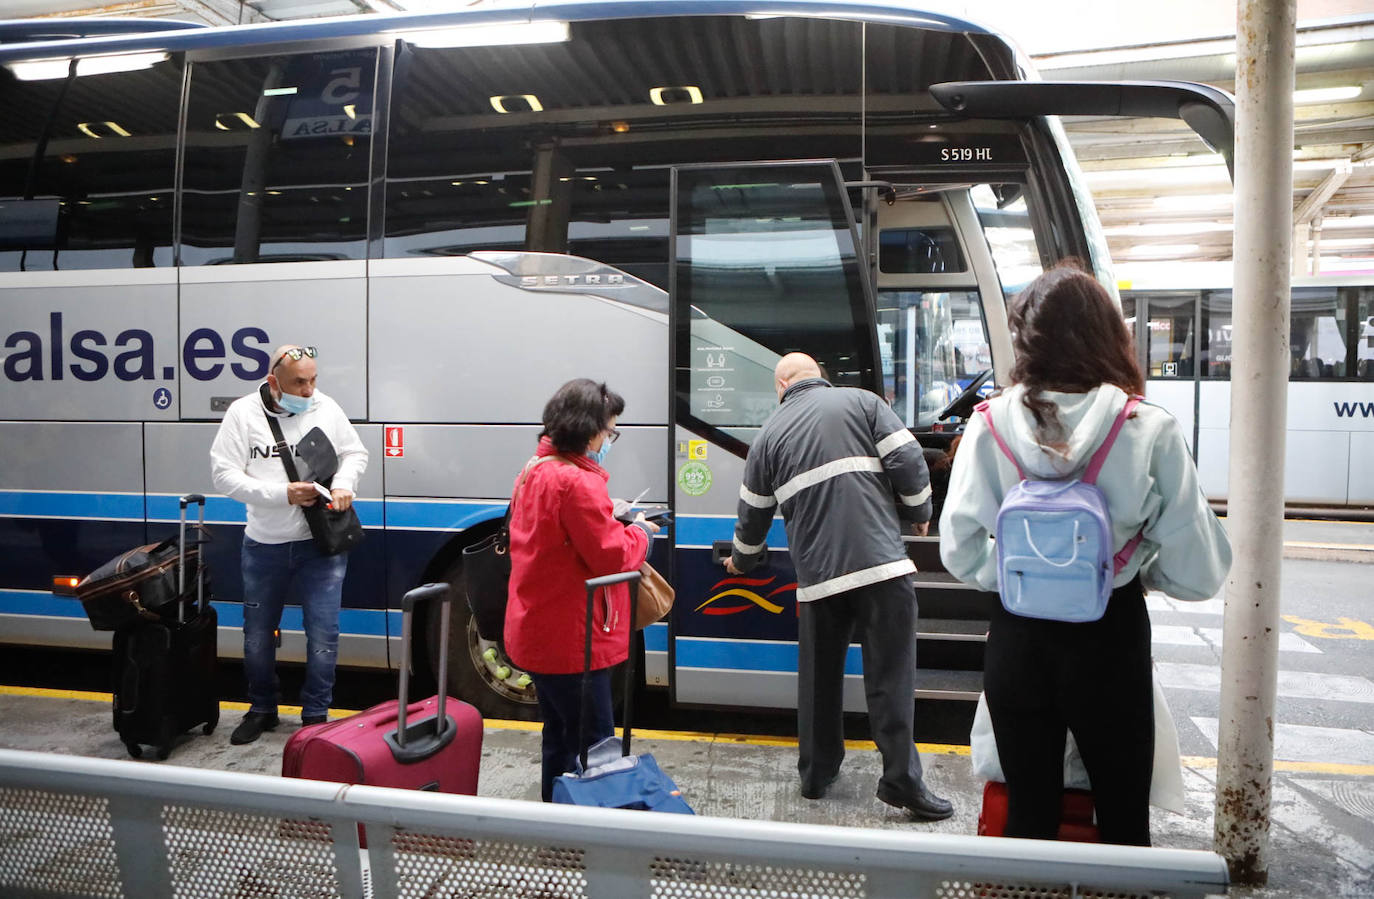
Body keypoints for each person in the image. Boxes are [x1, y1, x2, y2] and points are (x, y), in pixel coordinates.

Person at [939, 264, 1231, 845]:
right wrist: (1128, 566)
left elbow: (959, 549)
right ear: (1110, 337)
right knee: (1123, 819)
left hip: (1020, 639)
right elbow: (1200, 573)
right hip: (1109, 637)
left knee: (1027, 814)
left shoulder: (989, 424)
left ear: (1026, 339)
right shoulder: (1148, 428)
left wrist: (1028, 574)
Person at [726, 353, 953, 821]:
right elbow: (908, 456)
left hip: (817, 580)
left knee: (818, 681)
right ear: (819, 377)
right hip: (880, 568)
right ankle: (901, 781)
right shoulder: (863, 402)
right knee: (890, 677)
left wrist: (741, 564)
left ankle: (816, 773)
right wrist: (919, 511)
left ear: (781, 387)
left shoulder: (767, 436)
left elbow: (752, 517)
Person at [503, 378, 659, 802]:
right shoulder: (576, 482)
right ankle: (590, 838)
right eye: (610, 431)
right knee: (596, 746)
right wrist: (642, 534)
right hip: (575, 638)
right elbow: (610, 556)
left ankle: (556, 821)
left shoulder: (534, 469)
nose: (610, 439)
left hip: (538, 627)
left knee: (558, 734)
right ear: (589, 430)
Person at [210, 344, 368, 745]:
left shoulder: (325, 407)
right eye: (299, 382)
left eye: (314, 379)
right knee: (258, 635)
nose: (309, 390)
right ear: (272, 382)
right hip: (265, 545)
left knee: (324, 633)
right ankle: (262, 708)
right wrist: (284, 494)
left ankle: (315, 715)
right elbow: (224, 476)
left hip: (321, 546)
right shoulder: (242, 415)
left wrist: (346, 483)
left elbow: (354, 452)